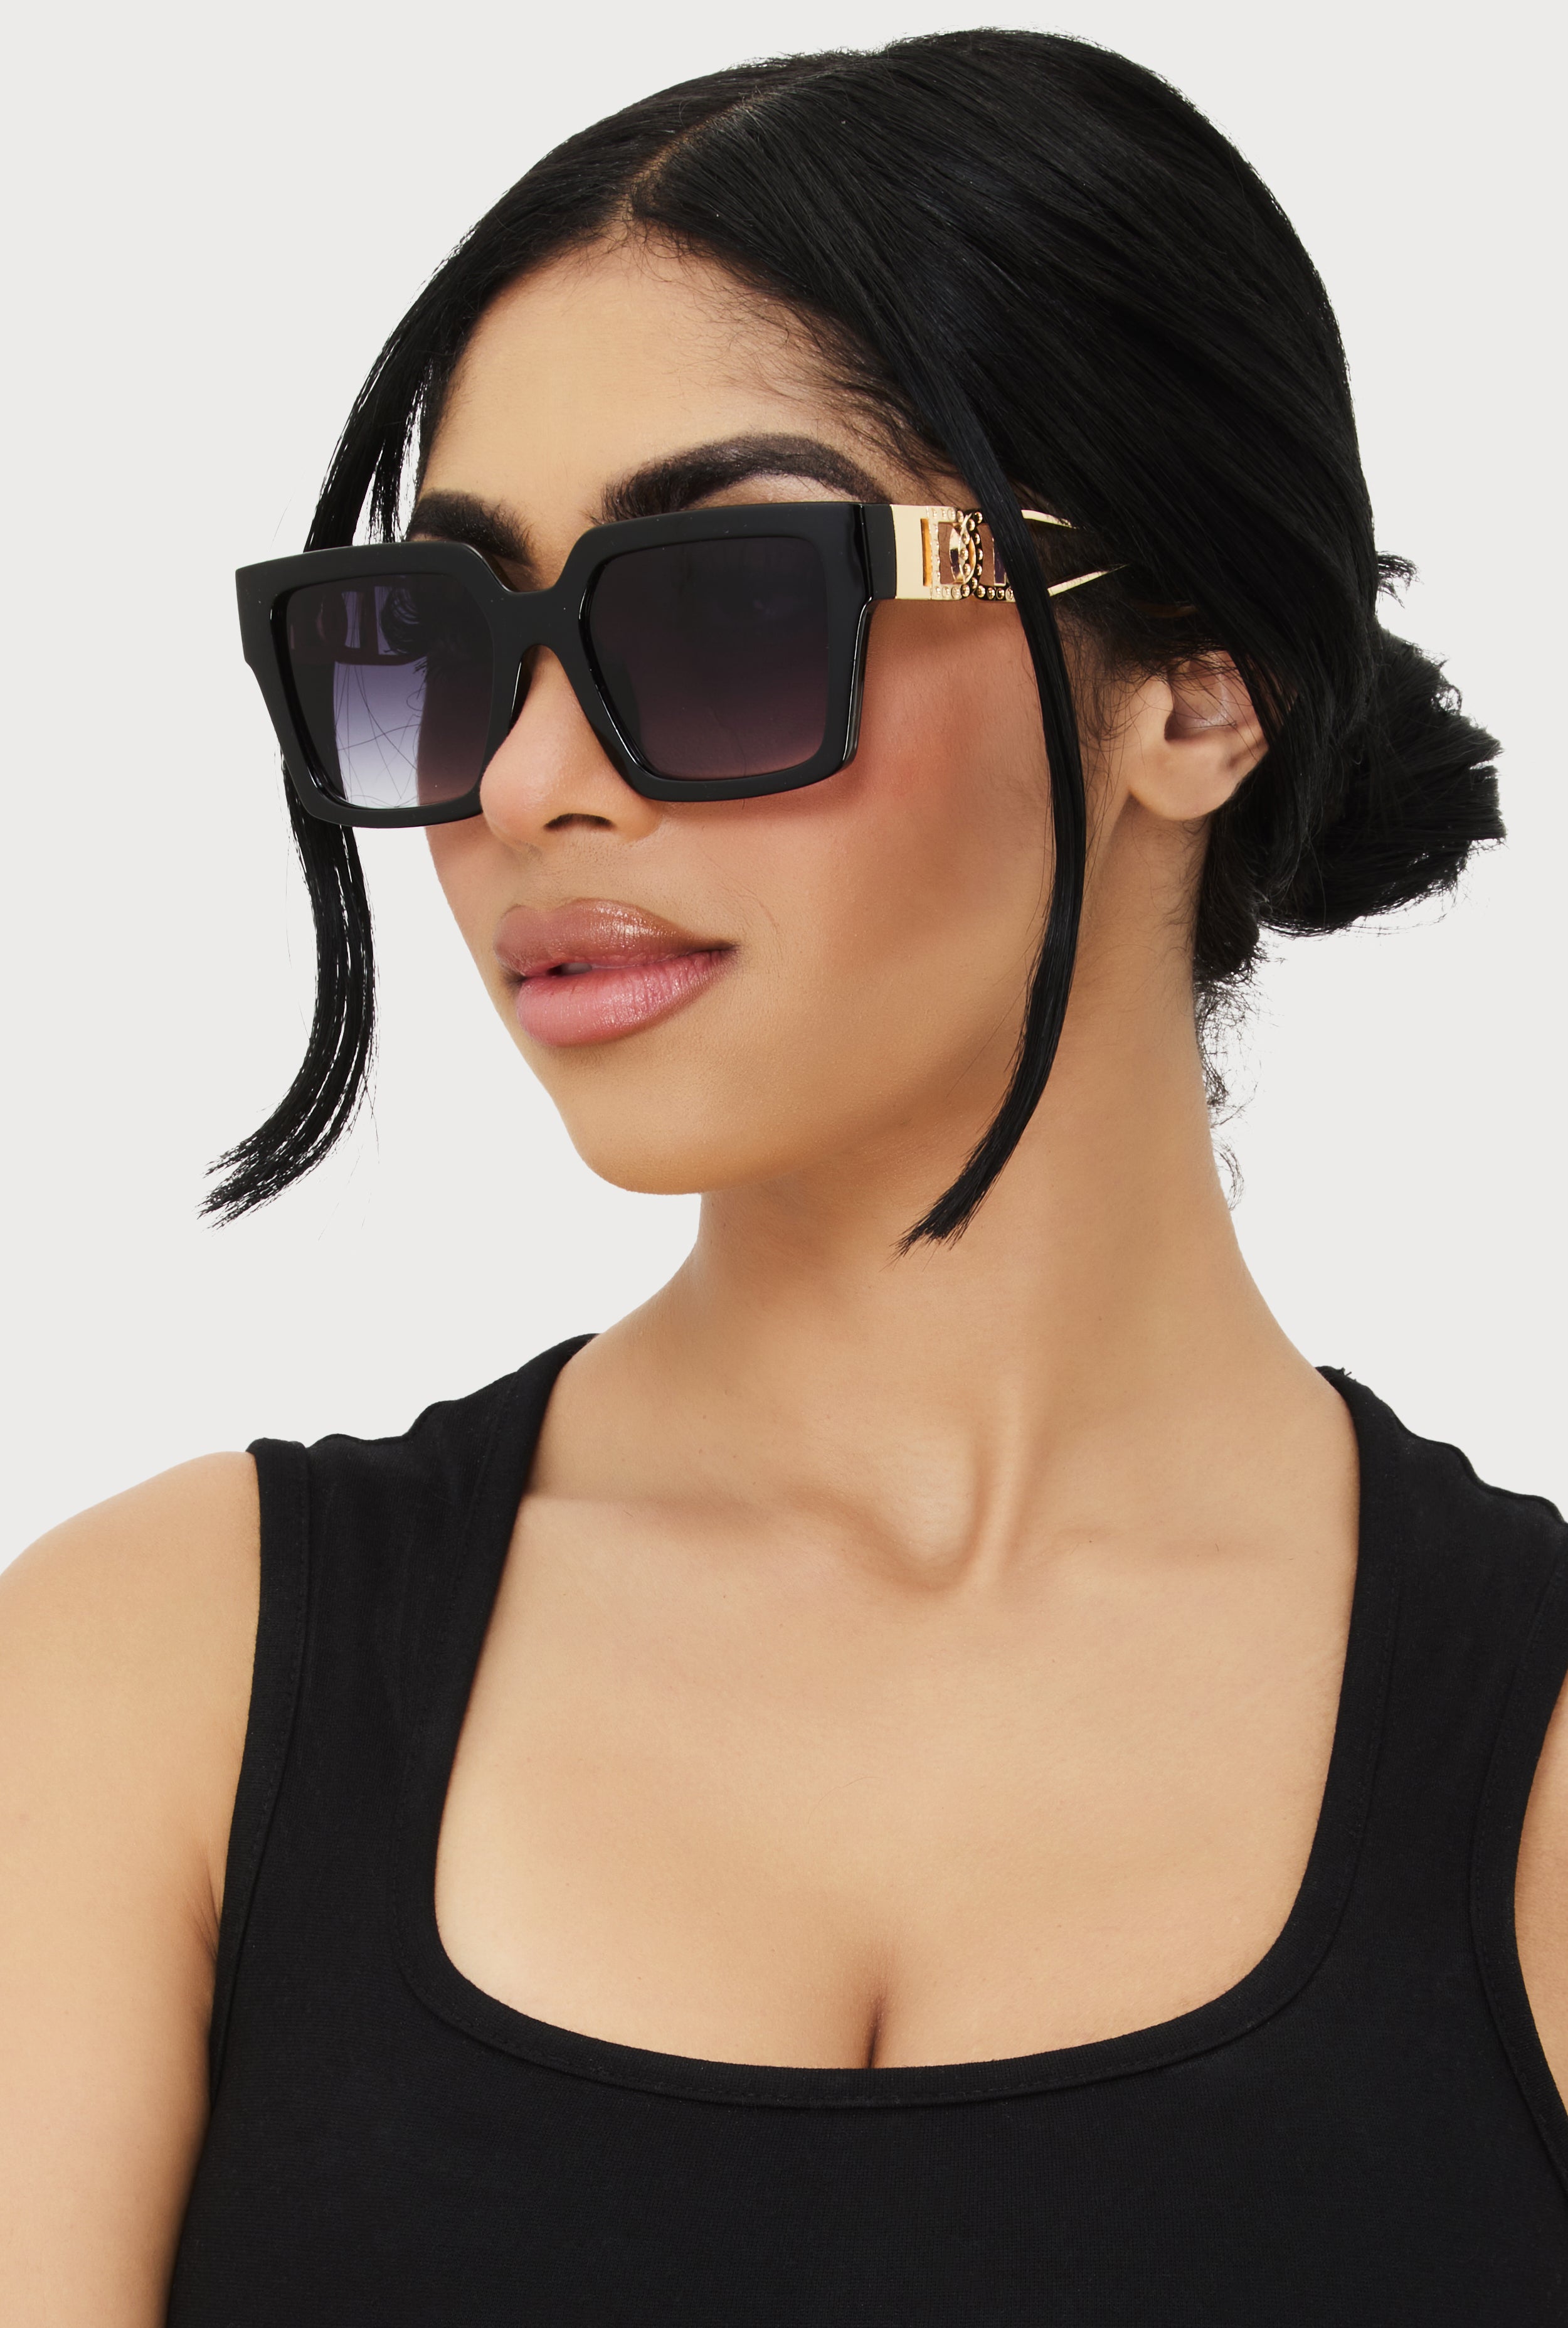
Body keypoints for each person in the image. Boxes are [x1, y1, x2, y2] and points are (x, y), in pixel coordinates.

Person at [3, 29, 1564, 2324]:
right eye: (445, 644)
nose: (522, 784)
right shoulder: (141, 1678)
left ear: (1192, 689)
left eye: (725, 608)